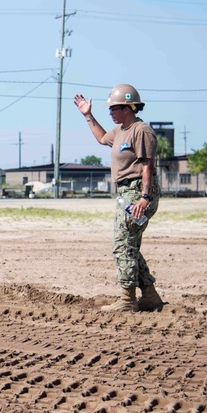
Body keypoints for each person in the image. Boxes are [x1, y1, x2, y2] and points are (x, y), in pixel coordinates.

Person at [74, 83, 164, 313]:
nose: (111, 112)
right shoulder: (121, 130)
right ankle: (150, 296)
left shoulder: (140, 130)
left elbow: (147, 167)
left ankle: (127, 299)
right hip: (126, 193)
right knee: (129, 244)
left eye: (114, 108)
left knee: (122, 245)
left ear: (129, 107)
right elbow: (102, 138)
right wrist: (88, 115)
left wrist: (144, 198)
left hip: (138, 191)